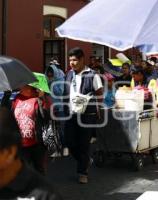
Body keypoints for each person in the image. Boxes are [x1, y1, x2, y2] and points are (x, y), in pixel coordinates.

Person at [0, 107, 63, 200]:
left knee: (39, 165)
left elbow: (48, 118)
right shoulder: (16, 101)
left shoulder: (44, 196)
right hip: (24, 143)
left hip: (36, 143)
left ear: (9, 152)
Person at [63, 47, 103, 184]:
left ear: (81, 60)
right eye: (70, 60)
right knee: (69, 142)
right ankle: (85, 161)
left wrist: (92, 104)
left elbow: (100, 94)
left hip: (87, 115)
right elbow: (65, 93)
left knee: (84, 144)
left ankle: (82, 173)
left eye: (74, 60)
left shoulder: (93, 75)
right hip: (71, 114)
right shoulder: (68, 74)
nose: (72, 63)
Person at [12, 85, 49, 175]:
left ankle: (41, 188)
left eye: (24, 86)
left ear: (30, 88)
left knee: (39, 169)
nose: (20, 88)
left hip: (36, 142)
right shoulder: (17, 98)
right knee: (22, 171)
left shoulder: (38, 99)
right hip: (21, 142)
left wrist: (42, 99)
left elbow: (46, 117)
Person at [45, 64, 68, 157]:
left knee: (62, 129)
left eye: (51, 73)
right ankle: (57, 150)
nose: (50, 75)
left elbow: (60, 92)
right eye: (48, 74)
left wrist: (51, 84)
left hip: (60, 107)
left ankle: (66, 147)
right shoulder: (46, 80)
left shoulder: (61, 79)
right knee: (53, 130)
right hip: (50, 107)